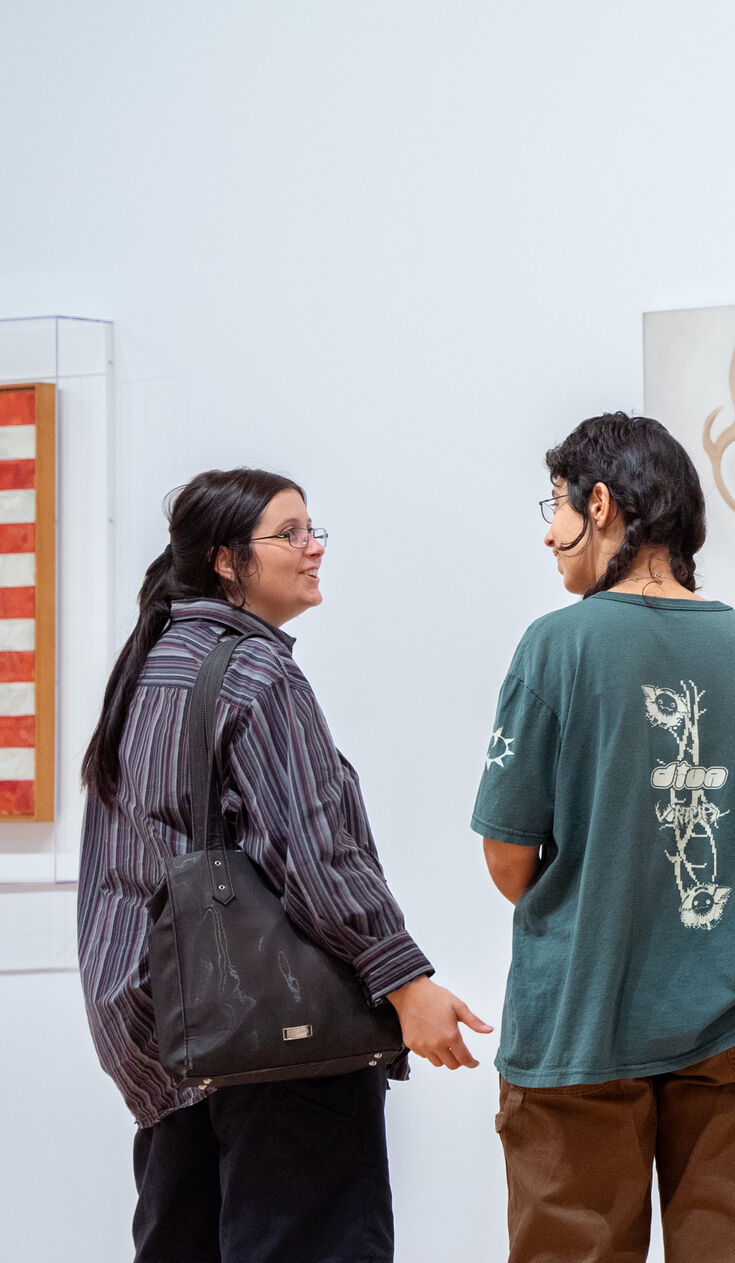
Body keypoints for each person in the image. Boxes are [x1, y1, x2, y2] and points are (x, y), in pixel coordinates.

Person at [76, 468, 491, 1263]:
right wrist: (406, 984)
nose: (314, 548)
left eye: (313, 528)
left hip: (176, 1041)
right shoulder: (257, 675)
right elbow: (314, 856)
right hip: (278, 1047)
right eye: (291, 533)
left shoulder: (150, 670)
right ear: (229, 561)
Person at [474, 412, 735, 1263]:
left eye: (555, 505)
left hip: (582, 1031)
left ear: (600, 504)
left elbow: (509, 858)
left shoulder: (555, 647)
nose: (549, 534)